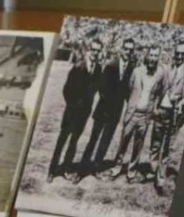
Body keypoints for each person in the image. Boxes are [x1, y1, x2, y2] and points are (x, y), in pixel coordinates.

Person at [82, 38, 136, 174]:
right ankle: (82, 169)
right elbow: (102, 89)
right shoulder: (111, 64)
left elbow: (128, 91)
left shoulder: (132, 68)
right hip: (103, 110)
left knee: (105, 142)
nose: (128, 52)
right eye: (126, 48)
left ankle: (97, 168)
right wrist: (109, 103)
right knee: (93, 140)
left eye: (131, 49)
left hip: (115, 112)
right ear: (122, 49)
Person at [148, 41, 184, 193]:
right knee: (155, 144)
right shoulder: (166, 69)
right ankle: (153, 169)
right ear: (174, 53)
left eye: (183, 53)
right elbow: (156, 88)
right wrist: (155, 107)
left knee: (167, 147)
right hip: (161, 111)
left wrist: (181, 102)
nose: (179, 56)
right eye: (177, 53)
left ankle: (160, 180)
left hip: (175, 114)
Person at [111, 46, 161, 180]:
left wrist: (152, 110)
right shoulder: (137, 71)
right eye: (151, 55)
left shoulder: (159, 75)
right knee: (123, 142)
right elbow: (129, 90)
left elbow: (158, 94)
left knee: (138, 146)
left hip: (145, 117)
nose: (153, 58)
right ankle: (117, 167)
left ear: (158, 57)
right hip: (132, 114)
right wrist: (133, 106)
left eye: (156, 56)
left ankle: (131, 170)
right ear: (147, 55)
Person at [48, 47, 95, 181]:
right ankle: (52, 170)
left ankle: (67, 168)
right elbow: (66, 90)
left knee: (73, 142)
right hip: (71, 112)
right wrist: (73, 104)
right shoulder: (77, 68)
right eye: (93, 50)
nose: (95, 53)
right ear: (88, 52)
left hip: (84, 114)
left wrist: (86, 107)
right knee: (61, 141)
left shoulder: (97, 69)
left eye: (98, 51)